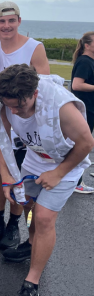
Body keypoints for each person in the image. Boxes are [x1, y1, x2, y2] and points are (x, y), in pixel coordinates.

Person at [0, 64, 93, 296]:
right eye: (9, 106)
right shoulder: (5, 102)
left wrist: (58, 173)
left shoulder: (62, 107)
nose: (13, 111)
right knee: (26, 203)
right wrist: (6, 175)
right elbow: (2, 139)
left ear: (35, 93)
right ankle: (32, 241)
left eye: (19, 107)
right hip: (35, 157)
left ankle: (31, 284)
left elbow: (87, 143)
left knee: (45, 218)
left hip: (65, 161)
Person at [0, 1, 51, 250]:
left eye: (12, 20)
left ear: (19, 21)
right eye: (2, 21)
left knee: (19, 175)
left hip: (24, 124)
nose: (7, 25)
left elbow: (45, 87)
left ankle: (14, 223)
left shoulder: (34, 48)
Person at [69, 31, 94, 194]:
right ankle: (76, 182)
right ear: (87, 45)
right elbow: (76, 85)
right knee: (81, 146)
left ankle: (75, 180)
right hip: (84, 110)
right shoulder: (85, 61)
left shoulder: (90, 61)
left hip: (89, 109)